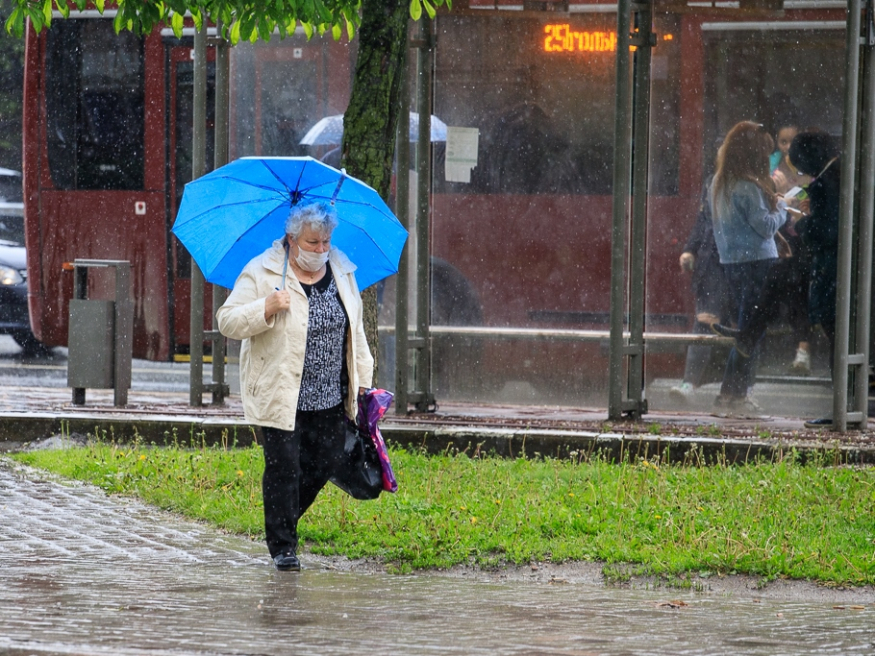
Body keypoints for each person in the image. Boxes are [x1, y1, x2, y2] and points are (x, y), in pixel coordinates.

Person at [216, 201, 374, 571]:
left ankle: (282, 516)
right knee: (283, 468)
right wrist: (266, 308)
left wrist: (363, 383)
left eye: (326, 241)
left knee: (325, 463)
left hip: (330, 396)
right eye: (313, 241)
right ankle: (283, 547)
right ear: (291, 238)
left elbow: (357, 332)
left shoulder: (341, 269)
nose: (321, 250)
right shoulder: (263, 269)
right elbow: (227, 321)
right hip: (280, 394)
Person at [708, 121, 789, 414]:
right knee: (751, 332)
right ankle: (735, 392)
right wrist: (781, 208)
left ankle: (733, 391)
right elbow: (766, 227)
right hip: (758, 262)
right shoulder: (748, 187)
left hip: (732, 262)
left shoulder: (718, 183)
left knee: (747, 327)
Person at [789, 132, 841, 428]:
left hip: (832, 274)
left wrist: (803, 224)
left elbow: (828, 232)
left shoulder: (823, 184)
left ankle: (841, 407)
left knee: (836, 340)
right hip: (848, 276)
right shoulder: (843, 175)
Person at [670, 179, 734, 401]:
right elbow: (703, 221)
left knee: (740, 327)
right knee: (704, 324)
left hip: (738, 266)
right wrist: (690, 250)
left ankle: (737, 389)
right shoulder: (714, 181)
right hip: (712, 267)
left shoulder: (750, 181)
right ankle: (690, 383)